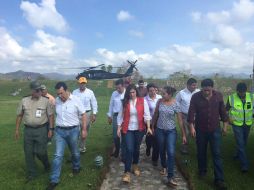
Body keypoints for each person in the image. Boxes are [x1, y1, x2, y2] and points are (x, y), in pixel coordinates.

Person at [188, 78, 228, 190]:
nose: (206, 92)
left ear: (212, 88)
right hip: (200, 129)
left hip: (215, 129)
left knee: (217, 153)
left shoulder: (218, 96)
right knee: (201, 152)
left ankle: (219, 179)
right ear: (201, 88)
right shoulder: (196, 97)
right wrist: (191, 127)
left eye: (208, 90)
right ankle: (202, 171)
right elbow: (191, 112)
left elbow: (223, 112)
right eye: (204, 90)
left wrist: (225, 127)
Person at [47, 82, 87, 190]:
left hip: (73, 131)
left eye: (61, 93)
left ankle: (76, 166)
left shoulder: (76, 100)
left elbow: (83, 114)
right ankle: (54, 180)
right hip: (59, 132)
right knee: (57, 155)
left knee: (74, 152)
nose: (60, 96)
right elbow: (52, 114)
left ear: (66, 90)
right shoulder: (57, 101)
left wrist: (83, 130)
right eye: (58, 94)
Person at [15, 81, 54, 182]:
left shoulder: (46, 101)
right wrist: (17, 129)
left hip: (41, 130)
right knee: (28, 153)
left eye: (40, 90)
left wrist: (51, 129)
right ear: (32, 90)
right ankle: (32, 174)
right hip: (28, 130)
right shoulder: (24, 100)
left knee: (40, 152)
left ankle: (46, 165)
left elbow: (50, 116)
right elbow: (19, 115)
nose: (39, 92)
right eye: (37, 90)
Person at [117, 84, 152, 183]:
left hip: (139, 129)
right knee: (129, 149)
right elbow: (120, 116)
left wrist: (148, 127)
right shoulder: (125, 102)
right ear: (127, 93)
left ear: (136, 92)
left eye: (133, 92)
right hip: (127, 129)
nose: (132, 94)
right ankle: (126, 172)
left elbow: (147, 115)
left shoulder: (142, 101)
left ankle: (135, 165)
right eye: (130, 92)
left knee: (136, 148)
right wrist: (118, 128)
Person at [152, 86, 186, 186]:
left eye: (164, 93)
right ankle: (164, 166)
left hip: (171, 131)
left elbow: (180, 120)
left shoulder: (176, 103)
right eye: (162, 93)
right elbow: (155, 114)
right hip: (159, 130)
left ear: (170, 94)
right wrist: (152, 127)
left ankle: (170, 176)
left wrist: (183, 134)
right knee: (162, 150)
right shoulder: (159, 102)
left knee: (170, 152)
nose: (162, 95)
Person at [226, 82, 253, 173]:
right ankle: (244, 165)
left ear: (246, 90)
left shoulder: (252, 97)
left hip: (248, 124)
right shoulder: (231, 98)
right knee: (241, 143)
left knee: (244, 142)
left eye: (243, 92)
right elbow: (225, 110)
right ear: (237, 91)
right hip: (237, 124)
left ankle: (237, 154)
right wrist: (228, 119)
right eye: (240, 92)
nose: (242, 94)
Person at [73, 77, 98, 153]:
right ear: (79, 83)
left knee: (84, 132)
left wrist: (94, 114)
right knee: (75, 132)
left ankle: (82, 147)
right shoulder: (74, 92)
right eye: (81, 83)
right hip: (77, 114)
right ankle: (75, 148)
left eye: (84, 83)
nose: (82, 85)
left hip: (87, 114)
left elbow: (94, 103)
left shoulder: (90, 92)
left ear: (86, 83)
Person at [175, 78, 199, 154]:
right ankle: (184, 148)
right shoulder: (181, 93)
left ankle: (200, 147)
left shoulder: (198, 92)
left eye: (195, 85)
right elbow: (177, 103)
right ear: (188, 85)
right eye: (193, 85)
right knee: (186, 132)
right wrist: (179, 113)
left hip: (197, 116)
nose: (195, 86)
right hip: (185, 116)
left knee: (198, 132)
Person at [107, 79, 126, 158]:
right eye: (116, 88)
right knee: (116, 136)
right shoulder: (114, 94)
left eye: (119, 88)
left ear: (123, 86)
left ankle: (124, 153)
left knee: (125, 135)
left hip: (125, 116)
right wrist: (109, 116)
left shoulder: (127, 93)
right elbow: (111, 105)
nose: (117, 90)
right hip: (116, 115)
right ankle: (117, 150)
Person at [144, 83, 162, 166]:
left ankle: (155, 159)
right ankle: (148, 147)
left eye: (154, 90)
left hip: (158, 123)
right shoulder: (145, 100)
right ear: (148, 91)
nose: (153, 92)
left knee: (157, 141)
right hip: (149, 123)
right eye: (150, 91)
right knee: (149, 139)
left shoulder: (160, 98)